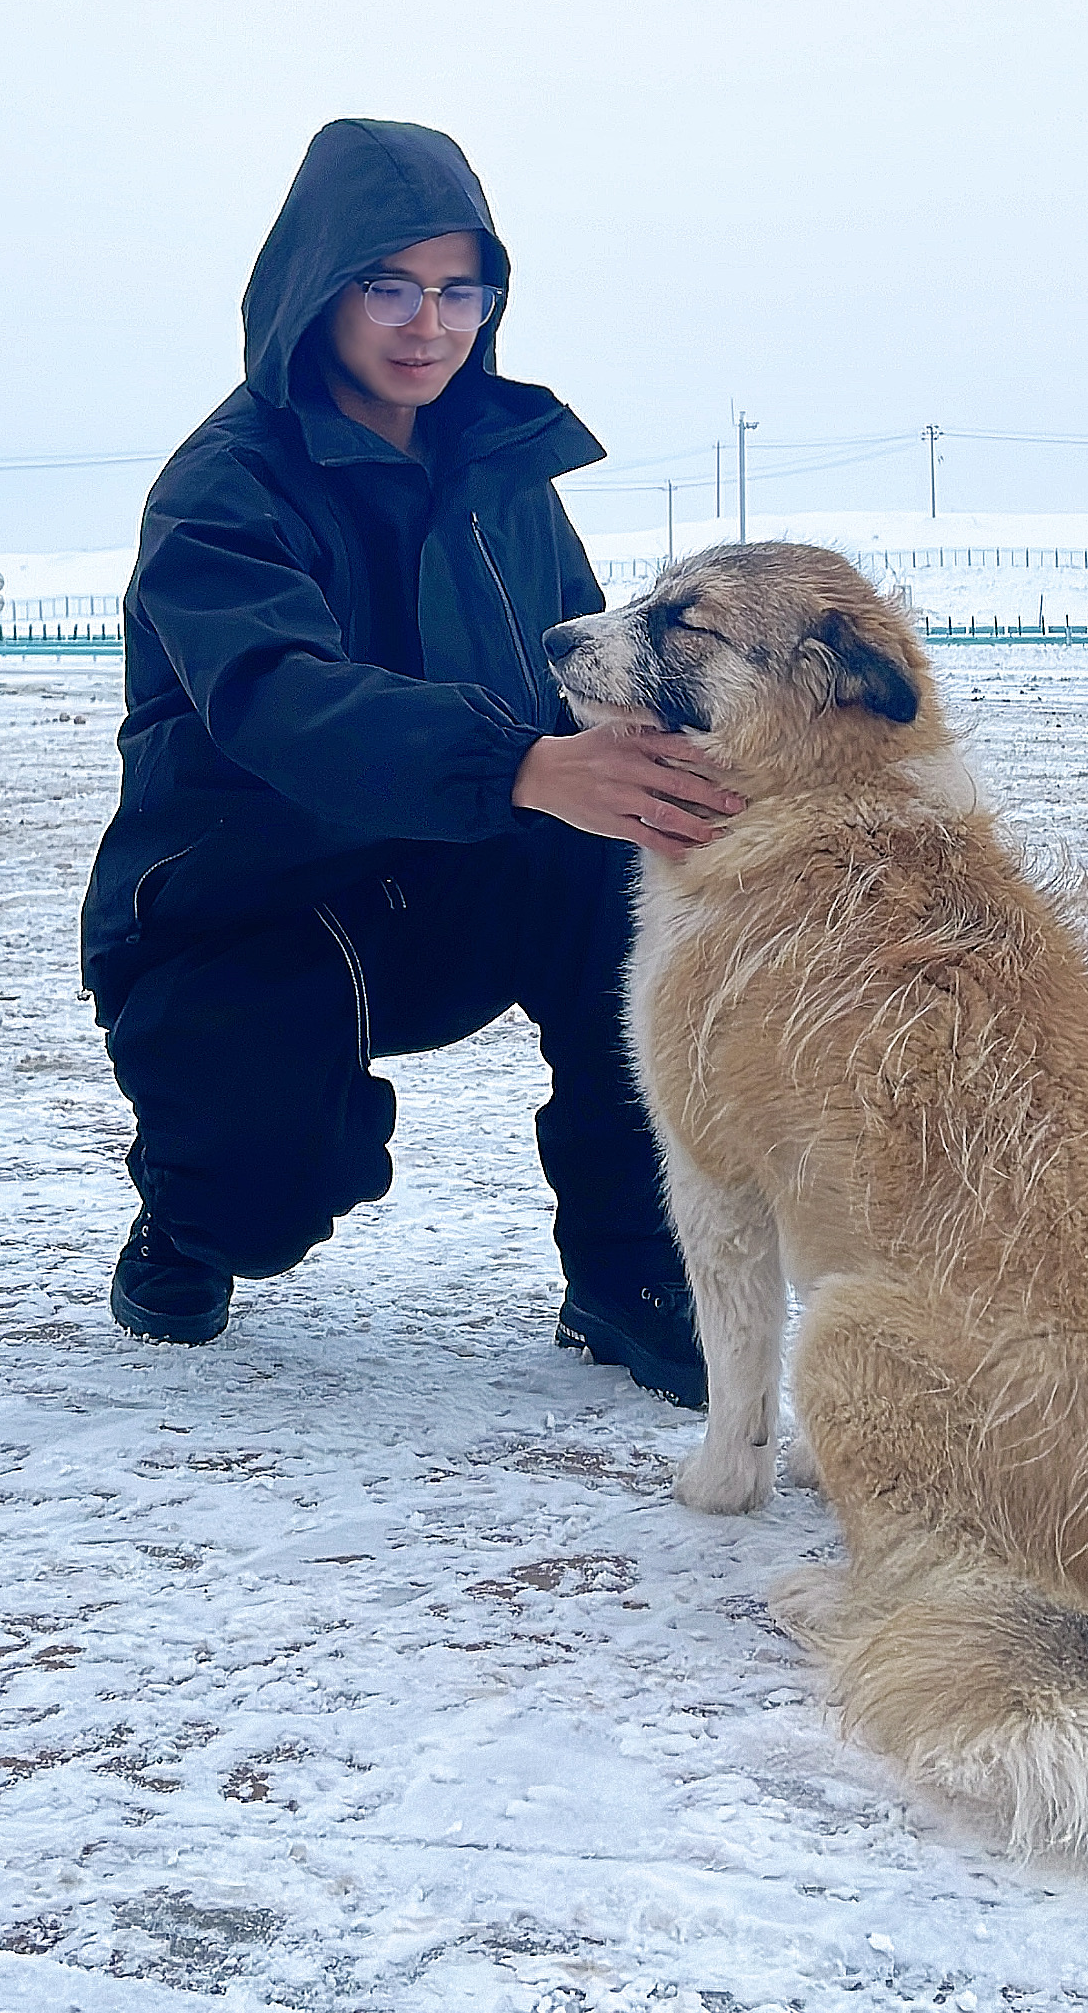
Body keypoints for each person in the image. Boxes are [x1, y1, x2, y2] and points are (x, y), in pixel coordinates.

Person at [79, 117, 742, 1404]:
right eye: (388, 286)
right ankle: (191, 1217)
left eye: (458, 289)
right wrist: (525, 770)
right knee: (264, 1194)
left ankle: (629, 1271)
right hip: (254, 906)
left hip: (459, 878)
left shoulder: (499, 470)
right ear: (315, 290)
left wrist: (675, 770)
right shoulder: (222, 490)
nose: (427, 326)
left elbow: (590, 673)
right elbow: (275, 699)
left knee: (632, 889)